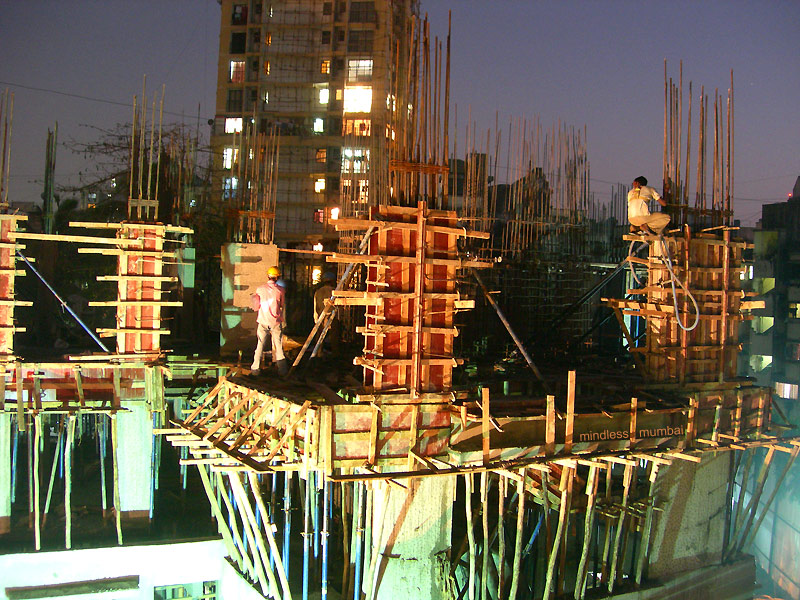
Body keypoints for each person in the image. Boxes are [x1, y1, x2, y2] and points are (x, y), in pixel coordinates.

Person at [251, 265, 288, 376]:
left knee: (260, 345)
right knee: (278, 346)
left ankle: (255, 369)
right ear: (277, 277)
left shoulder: (260, 289)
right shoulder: (281, 290)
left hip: (262, 321)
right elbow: (281, 305)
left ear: (268, 276)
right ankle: (282, 371)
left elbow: (256, 305)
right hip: (275, 322)